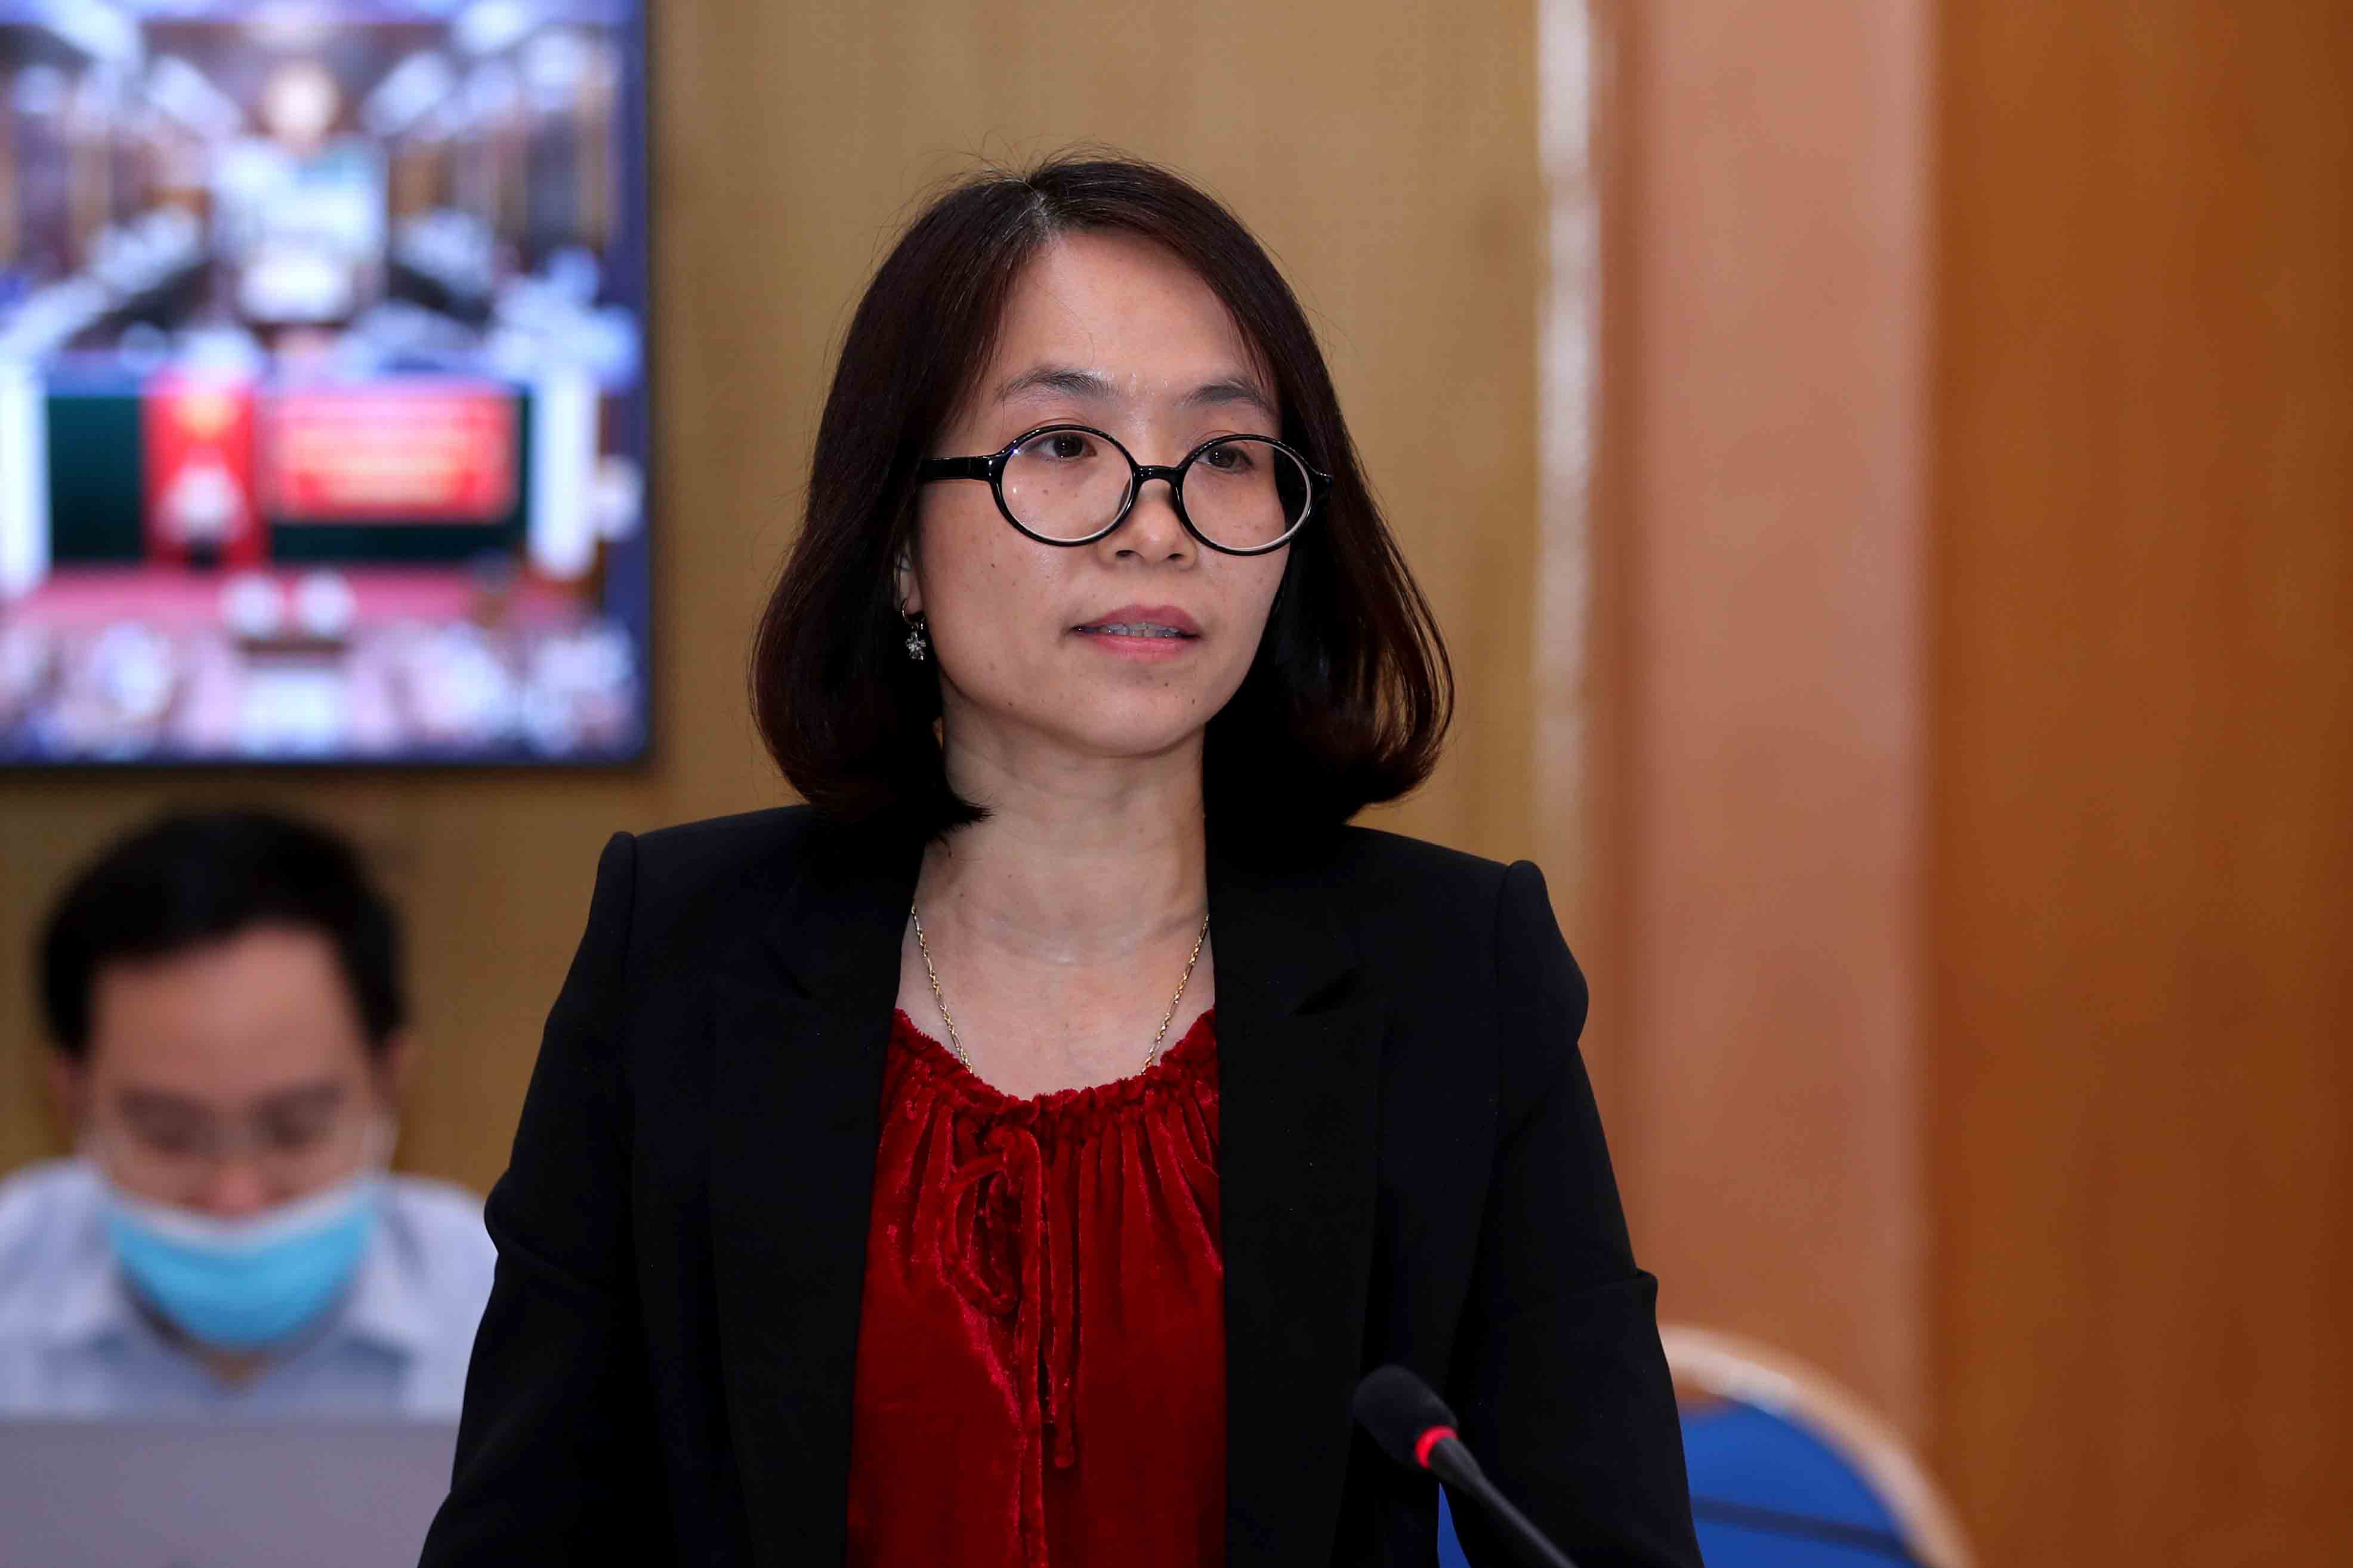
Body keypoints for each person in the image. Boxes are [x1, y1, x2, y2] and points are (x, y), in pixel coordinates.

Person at [422, 156, 1701, 1568]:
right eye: (1062, 446)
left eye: (1225, 456)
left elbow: (1604, 1544)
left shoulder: (1454, 973)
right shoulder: (681, 951)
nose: (1156, 524)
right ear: (898, 543)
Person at [0, 808, 495, 1418]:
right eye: (169, 1136)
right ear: (71, 1102)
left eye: (296, 1129)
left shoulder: (515, 1312)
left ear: (389, 1084)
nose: (236, 1199)